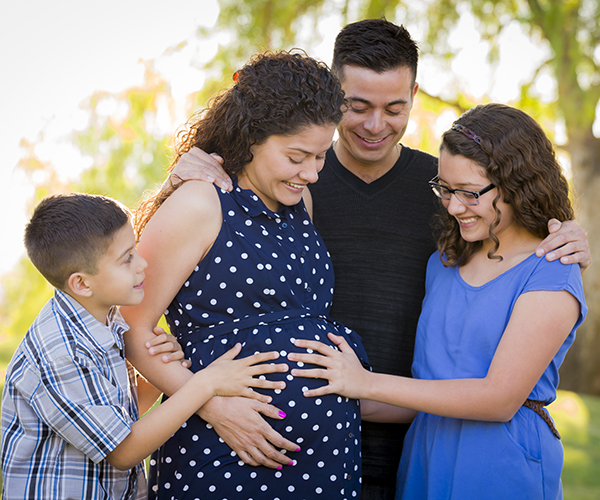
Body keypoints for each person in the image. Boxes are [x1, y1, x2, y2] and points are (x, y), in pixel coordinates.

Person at [168, 18, 592, 499]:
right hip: (302, 449)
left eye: (394, 108)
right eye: (358, 106)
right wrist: (184, 174)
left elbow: (514, 246)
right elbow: (204, 246)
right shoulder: (291, 178)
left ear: (414, 93)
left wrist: (565, 232)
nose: (375, 125)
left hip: (414, 447)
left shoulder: (448, 188)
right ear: (333, 96)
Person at [288, 103, 587, 499]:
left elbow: (498, 399)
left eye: (468, 193)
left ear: (518, 185)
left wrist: (366, 381)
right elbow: (424, 395)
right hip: (424, 458)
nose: (453, 206)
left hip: (498, 464)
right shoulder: (444, 263)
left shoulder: (552, 269)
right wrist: (322, 391)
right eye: (445, 189)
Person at [121, 50, 369, 499]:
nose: (311, 173)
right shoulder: (200, 202)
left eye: (320, 156)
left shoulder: (299, 205)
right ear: (252, 137)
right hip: (222, 450)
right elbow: (131, 328)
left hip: (323, 459)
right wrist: (213, 407)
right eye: (297, 156)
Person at [0, 193, 288, 500]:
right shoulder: (59, 351)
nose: (143, 264)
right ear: (82, 284)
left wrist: (155, 377)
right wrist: (205, 384)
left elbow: (118, 414)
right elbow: (122, 450)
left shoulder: (103, 319)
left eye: (135, 248)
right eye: (127, 259)